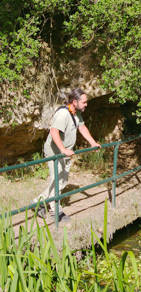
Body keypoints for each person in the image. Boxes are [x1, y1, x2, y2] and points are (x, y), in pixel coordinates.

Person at [32, 89, 100, 222]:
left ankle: (37, 202)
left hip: (65, 152)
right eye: (84, 102)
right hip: (55, 152)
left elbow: (82, 128)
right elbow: (54, 131)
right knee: (57, 179)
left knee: (62, 181)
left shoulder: (76, 113)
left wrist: (93, 143)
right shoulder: (63, 114)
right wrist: (63, 149)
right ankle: (56, 210)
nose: (86, 104)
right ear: (75, 102)